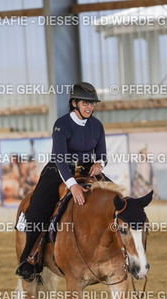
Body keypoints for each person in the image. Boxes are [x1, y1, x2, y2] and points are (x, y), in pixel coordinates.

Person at [16, 82, 108, 282]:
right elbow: (59, 157)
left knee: (117, 198)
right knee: (37, 209)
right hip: (59, 170)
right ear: (74, 103)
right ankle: (29, 260)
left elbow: (102, 154)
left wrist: (99, 164)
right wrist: (72, 185)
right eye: (85, 103)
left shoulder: (97, 125)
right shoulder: (62, 124)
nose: (90, 107)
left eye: (92, 103)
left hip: (87, 169)